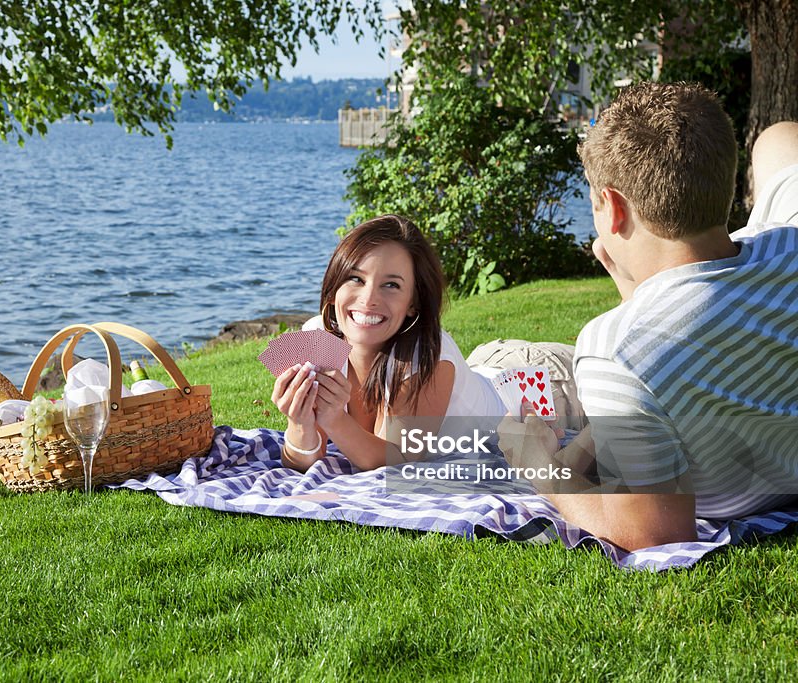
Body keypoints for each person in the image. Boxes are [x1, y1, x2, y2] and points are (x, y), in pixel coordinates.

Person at [499, 83, 798, 552]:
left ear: (614, 209)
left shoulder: (615, 351)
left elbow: (654, 533)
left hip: (741, 483)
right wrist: (638, 304)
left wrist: (540, 466)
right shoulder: (788, 239)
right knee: (779, 139)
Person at [273, 215, 584, 473]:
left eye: (391, 285)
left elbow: (396, 461)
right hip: (479, 372)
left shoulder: (425, 359)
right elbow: (299, 463)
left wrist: (333, 419)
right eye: (355, 278)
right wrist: (299, 421)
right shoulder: (315, 338)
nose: (368, 299)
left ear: (413, 303)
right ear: (333, 286)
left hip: (541, 386)